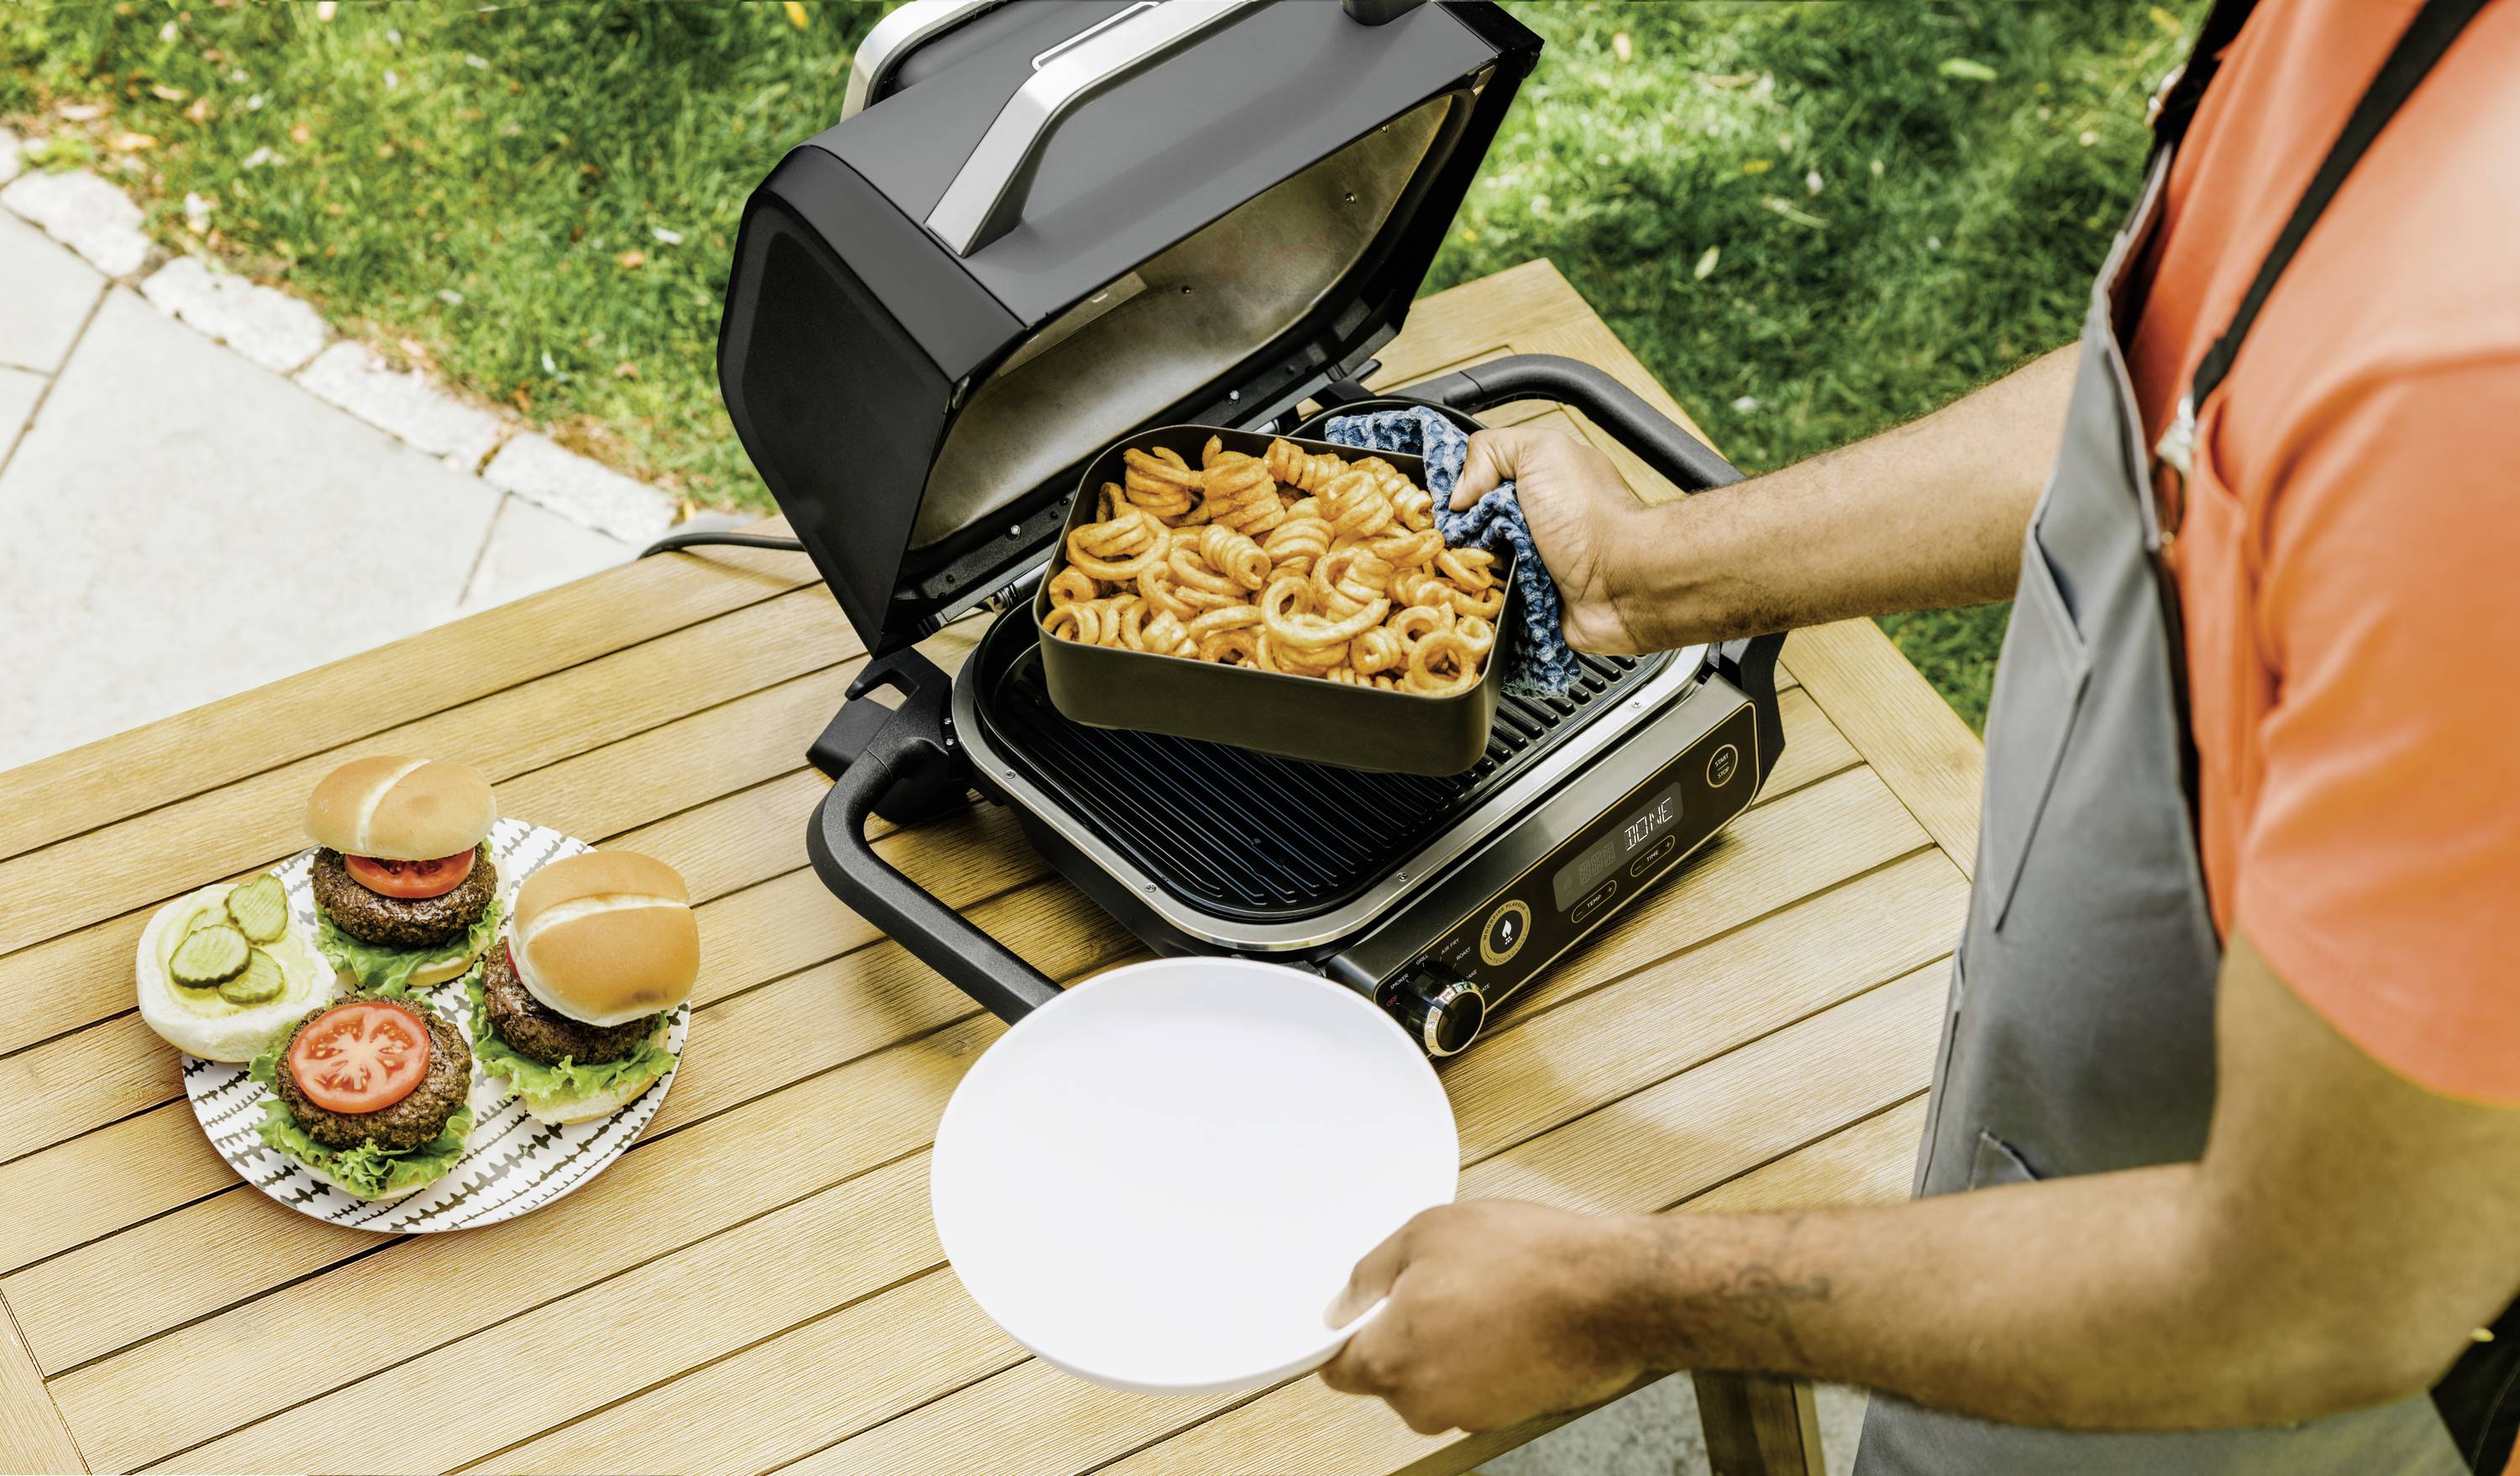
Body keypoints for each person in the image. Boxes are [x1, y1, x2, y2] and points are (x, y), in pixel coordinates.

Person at [1316, 0, 2520, 1470]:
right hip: (2077, 1184)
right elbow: (2194, 391)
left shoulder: (2481, 384)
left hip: (2268, 1377)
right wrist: (1643, 575)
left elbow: (2324, 1281)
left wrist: (1617, 1297)